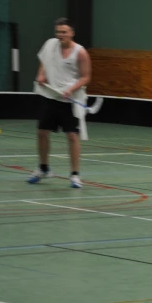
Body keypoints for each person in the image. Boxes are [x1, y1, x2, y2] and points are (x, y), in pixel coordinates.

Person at [27, 18, 91, 188]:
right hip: (50, 95)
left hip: (70, 99)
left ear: (72, 33)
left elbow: (86, 76)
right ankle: (43, 168)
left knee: (72, 136)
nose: (60, 35)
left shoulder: (81, 52)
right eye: (58, 32)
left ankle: (75, 175)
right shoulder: (50, 45)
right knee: (41, 132)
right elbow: (44, 61)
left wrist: (71, 89)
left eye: (64, 32)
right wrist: (42, 74)